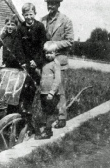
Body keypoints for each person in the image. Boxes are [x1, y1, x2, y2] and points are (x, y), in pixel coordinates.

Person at [40, 0, 74, 128]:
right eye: (49, 3)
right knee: (46, 89)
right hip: (46, 62)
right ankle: (47, 117)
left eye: (53, 3)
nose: (50, 6)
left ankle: (61, 117)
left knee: (59, 90)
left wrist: (55, 45)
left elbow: (70, 41)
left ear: (58, 4)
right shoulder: (42, 20)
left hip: (59, 60)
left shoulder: (66, 20)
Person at [15, 2, 47, 82]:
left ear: (35, 14)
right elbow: (18, 46)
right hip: (25, 62)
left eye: (31, 14)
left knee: (36, 84)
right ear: (23, 15)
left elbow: (42, 45)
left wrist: (37, 61)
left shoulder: (40, 26)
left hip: (36, 62)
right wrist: (22, 61)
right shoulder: (20, 28)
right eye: (26, 15)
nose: (29, 17)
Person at [38, 41, 64, 139]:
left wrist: (52, 92)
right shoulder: (44, 64)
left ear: (55, 53)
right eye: (47, 53)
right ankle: (46, 128)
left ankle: (48, 132)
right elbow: (43, 76)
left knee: (49, 112)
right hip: (43, 92)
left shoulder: (55, 64)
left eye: (51, 53)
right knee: (45, 111)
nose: (48, 55)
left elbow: (57, 79)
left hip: (51, 94)